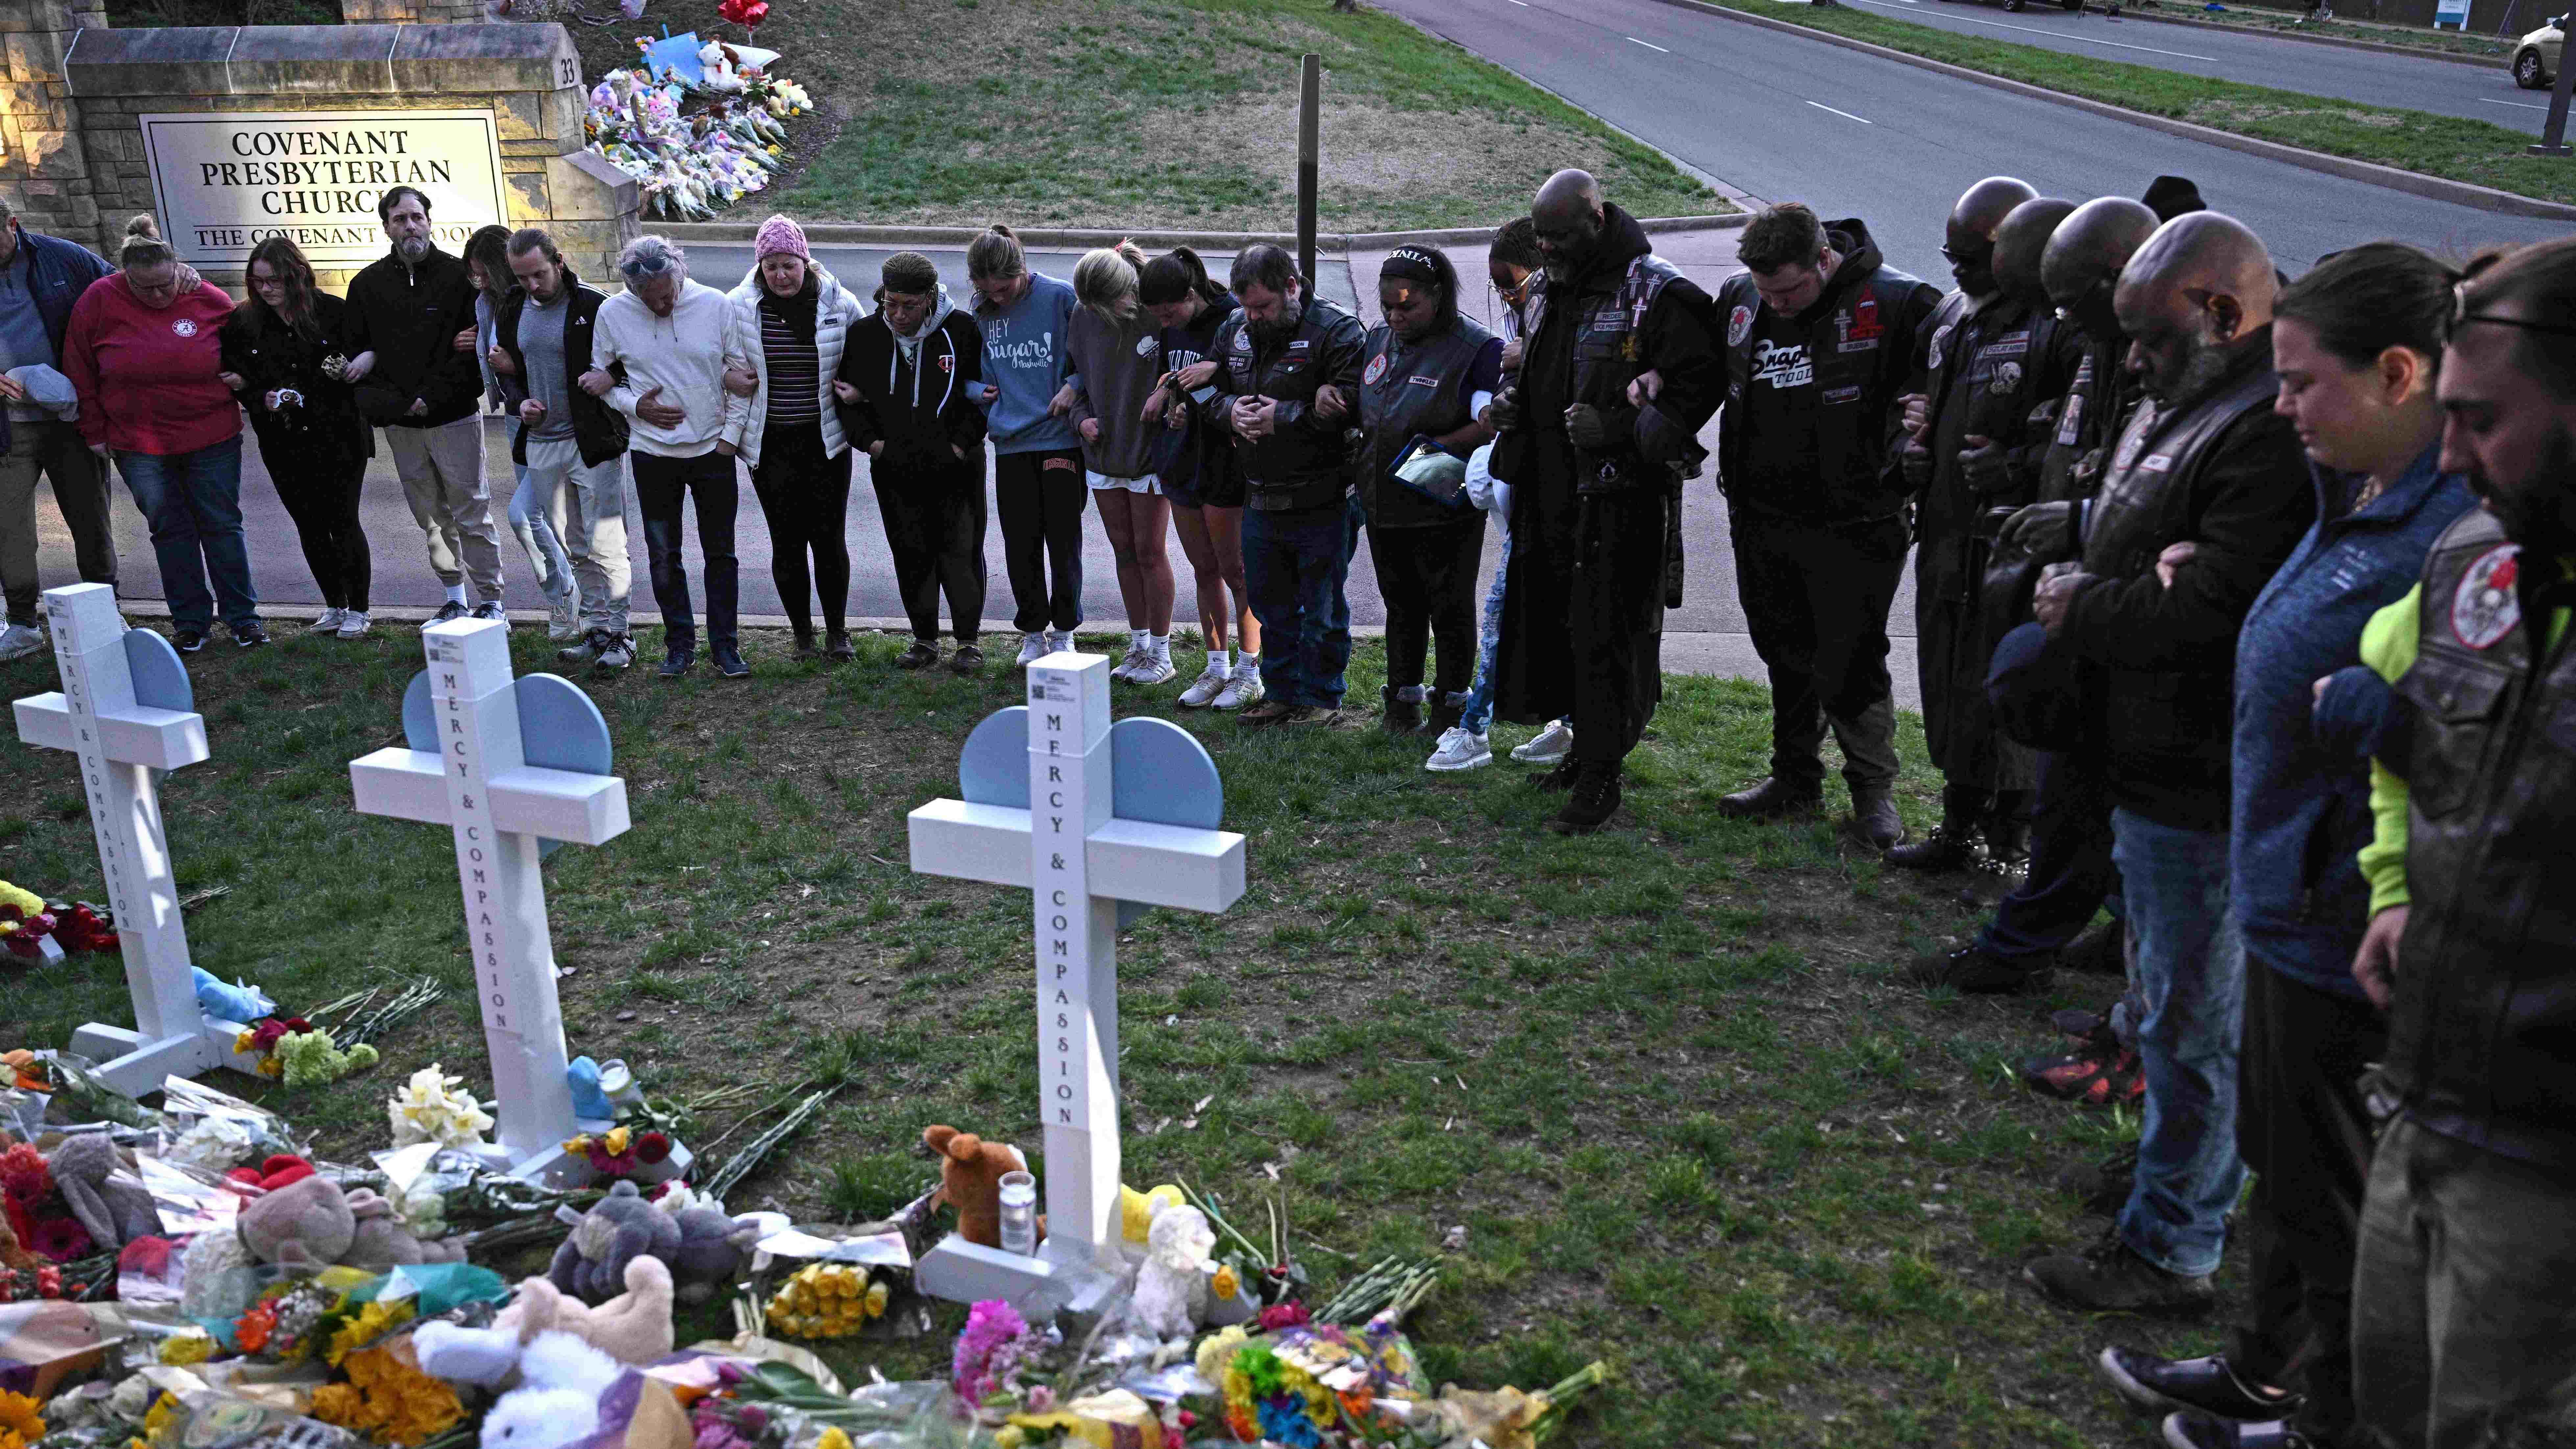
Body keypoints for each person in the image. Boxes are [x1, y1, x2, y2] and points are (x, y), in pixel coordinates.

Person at [2099, 244, 2476, 1449]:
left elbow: (2480, 733)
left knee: (2337, 1195)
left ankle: (2331, 1422)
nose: (2280, 403)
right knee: (2289, 1166)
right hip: (2288, 894)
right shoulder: (2358, 496)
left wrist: (2383, 712)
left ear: (2401, 373)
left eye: (2305, 382)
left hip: (2344, 914)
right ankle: (2265, 1369)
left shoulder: (2450, 536)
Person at [2017, 211, 2314, 1316]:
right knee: (2166, 999)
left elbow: (2215, 607)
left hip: (2203, 776)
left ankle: (2171, 1242)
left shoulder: (2266, 424)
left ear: (2221, 313)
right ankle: (2170, 1178)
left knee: (2195, 1020)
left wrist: (2088, 597)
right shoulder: (2198, 395)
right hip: (2152, 764)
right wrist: (2093, 527)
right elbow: (2160, 533)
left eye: (2144, 339)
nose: (2127, 362)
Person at [2340, 234, 2576, 1449]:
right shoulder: (2471, 558)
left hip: (2546, 1178)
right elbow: (2404, 748)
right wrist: (2393, 889)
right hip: (2422, 1108)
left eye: (2481, 418)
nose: (2446, 455)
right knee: (2393, 1407)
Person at [1487, 170, 1722, 833]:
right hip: (1549, 494)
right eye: (1540, 239)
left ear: (1594, 221)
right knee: (1560, 634)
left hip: (1617, 499)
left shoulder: (1654, 288)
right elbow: (1540, 369)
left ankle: (1599, 780)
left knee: (1605, 640)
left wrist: (1618, 429)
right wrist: (1513, 406)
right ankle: (1580, 751)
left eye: (1559, 237)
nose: (1548, 250)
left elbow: (1698, 381)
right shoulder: (1549, 287)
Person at [1705, 201, 1940, 846]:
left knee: (1849, 654)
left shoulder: (1897, 302)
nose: (1778, 303)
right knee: (1781, 646)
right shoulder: (1739, 299)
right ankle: (1793, 777)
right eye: (1765, 290)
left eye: (1790, 289)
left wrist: (1916, 441)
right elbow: (1706, 378)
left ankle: (1872, 791)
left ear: (1823, 258)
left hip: (1856, 520)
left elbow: (1945, 391)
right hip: (1760, 514)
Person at [1895, 177, 2080, 877]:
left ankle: (2011, 836)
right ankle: (1956, 820)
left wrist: (2017, 464)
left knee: (2006, 688)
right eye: (1951, 257)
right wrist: (1907, 448)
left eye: (1969, 258)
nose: (1956, 272)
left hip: (2013, 543)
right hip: (1946, 534)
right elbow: (1914, 402)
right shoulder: (1953, 316)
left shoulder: (2058, 329)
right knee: (1948, 683)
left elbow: (2086, 441)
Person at [63, 215, 263, 652]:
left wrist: (242, 377)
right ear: (124, 276)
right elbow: (80, 369)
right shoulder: (98, 301)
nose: (157, 295)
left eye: (164, 285)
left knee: (222, 525)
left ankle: (243, 618)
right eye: (144, 288)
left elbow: (249, 344)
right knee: (170, 530)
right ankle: (191, 621)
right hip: (139, 444)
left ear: (178, 270)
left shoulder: (203, 296)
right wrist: (93, 430)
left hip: (212, 437)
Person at [1202, 245, 1366, 728]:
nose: (1252, 317)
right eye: (1246, 307)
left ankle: (1321, 698)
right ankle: (1280, 692)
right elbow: (1206, 386)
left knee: (1321, 607)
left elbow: (1356, 404)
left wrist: (1285, 417)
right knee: (1270, 603)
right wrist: (1227, 412)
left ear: (1291, 287)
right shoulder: (1234, 328)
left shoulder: (1336, 329)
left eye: (1262, 307)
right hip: (1259, 492)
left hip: (1323, 494)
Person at [1431, 220, 1570, 773]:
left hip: (1554, 492)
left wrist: (1522, 363)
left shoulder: (1558, 314)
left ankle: (1475, 731)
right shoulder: (1533, 322)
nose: (1509, 299)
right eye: (1503, 290)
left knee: (1500, 614)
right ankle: (1568, 723)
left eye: (1512, 286)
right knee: (1535, 612)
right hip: (1529, 488)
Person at [1352, 244, 1500, 737]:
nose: (1395, 315)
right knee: (1400, 603)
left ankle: (1453, 708)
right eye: (1387, 305)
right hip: (1382, 499)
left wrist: (1433, 449)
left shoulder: (1478, 348)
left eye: (1407, 306)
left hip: (1442, 499)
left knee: (1449, 604)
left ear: (1438, 297)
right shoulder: (1377, 339)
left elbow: (1493, 425)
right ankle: (1401, 701)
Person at [342, 184, 504, 628]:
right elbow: (361, 352)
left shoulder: (459, 278)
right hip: (402, 425)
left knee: (472, 510)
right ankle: (454, 597)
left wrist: (429, 397)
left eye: (416, 216)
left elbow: (472, 350)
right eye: (399, 219)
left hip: (454, 417)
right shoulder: (367, 286)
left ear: (429, 220)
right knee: (432, 518)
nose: (409, 225)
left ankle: (491, 600)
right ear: (387, 227)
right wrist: (397, 404)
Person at [590, 235, 744, 679]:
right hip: (652, 454)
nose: (662, 305)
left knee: (721, 554)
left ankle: (725, 647)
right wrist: (636, 405)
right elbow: (602, 381)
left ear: (681, 276)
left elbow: (740, 374)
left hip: (712, 450)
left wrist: (730, 438)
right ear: (633, 292)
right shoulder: (613, 314)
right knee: (662, 555)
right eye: (651, 299)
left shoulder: (715, 305)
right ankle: (679, 645)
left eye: (669, 295)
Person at [835, 251, 988, 671]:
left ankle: (968, 642)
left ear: (930, 300)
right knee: (910, 551)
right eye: (890, 303)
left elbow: (983, 397)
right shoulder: (866, 335)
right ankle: (923, 639)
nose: (898, 314)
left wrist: (959, 446)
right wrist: (875, 446)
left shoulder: (962, 330)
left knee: (960, 551)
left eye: (908, 305)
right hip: (894, 465)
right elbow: (848, 400)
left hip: (956, 465)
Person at [492, 228, 635, 674]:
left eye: (538, 274)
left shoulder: (593, 305)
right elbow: (507, 368)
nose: (532, 285)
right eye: (522, 277)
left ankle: (621, 634)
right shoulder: (512, 306)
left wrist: (609, 376)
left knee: (606, 542)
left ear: (558, 260)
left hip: (592, 442)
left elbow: (633, 356)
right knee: (575, 546)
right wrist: (519, 402)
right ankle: (593, 630)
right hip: (542, 443)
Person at [720, 216, 861, 661]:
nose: (781, 275)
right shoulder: (739, 306)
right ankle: (802, 635)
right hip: (770, 444)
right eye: (772, 266)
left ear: (805, 261)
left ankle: (838, 633)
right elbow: (714, 360)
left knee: (828, 538)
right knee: (786, 540)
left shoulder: (837, 301)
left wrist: (859, 388)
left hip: (824, 442)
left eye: (789, 265)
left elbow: (867, 350)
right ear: (760, 266)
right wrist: (728, 376)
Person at [220, 236, 374, 641]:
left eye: (273, 281)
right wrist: (260, 398)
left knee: (342, 521)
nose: (265, 290)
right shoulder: (244, 322)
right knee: (308, 524)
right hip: (282, 439)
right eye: (256, 282)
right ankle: (334, 605)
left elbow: (367, 356)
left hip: (339, 434)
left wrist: (360, 365)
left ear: (298, 276)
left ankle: (359, 608)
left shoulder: (333, 313)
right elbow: (235, 376)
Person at [1139, 247, 1262, 709]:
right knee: (1203, 567)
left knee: (1236, 570)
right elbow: (1175, 375)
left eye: (1170, 312)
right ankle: (1216, 669)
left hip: (1224, 462)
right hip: (1182, 459)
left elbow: (1249, 379)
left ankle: (1250, 671)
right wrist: (1169, 398)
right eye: (1157, 317)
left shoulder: (1233, 319)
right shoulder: (1170, 325)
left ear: (1190, 294)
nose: (1166, 323)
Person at [0, 196, 115, 664]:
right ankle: (24, 623)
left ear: (11, 223)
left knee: (91, 522)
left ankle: (105, 613)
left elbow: (124, 294)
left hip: (70, 421)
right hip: (7, 430)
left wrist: (184, 279)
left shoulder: (64, 257)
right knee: (9, 530)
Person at [967, 225, 1087, 665]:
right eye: (988, 291)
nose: (999, 297)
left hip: (1059, 439)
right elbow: (964, 370)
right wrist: (973, 391)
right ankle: (1032, 631)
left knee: (1063, 540)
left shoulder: (1060, 298)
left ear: (1022, 269)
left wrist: (1074, 385)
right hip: (1011, 444)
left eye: (1006, 287)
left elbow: (1092, 354)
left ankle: (1065, 631)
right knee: (1020, 543)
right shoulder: (983, 312)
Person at [1067, 243, 1178, 686]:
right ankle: (1138, 644)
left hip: (1149, 455)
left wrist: (1167, 392)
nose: (1097, 312)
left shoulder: (1154, 314)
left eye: (1104, 303)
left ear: (1125, 291)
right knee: (1124, 551)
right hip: (1103, 452)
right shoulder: (1082, 314)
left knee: (1151, 552)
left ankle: (1162, 653)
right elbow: (1074, 379)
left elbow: (1185, 365)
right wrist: (1080, 420)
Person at [466, 224, 580, 645]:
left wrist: (514, 370)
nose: (478, 281)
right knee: (543, 518)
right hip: (519, 421)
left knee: (524, 515)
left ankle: (566, 597)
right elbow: (495, 354)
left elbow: (558, 362)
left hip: (557, 424)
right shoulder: (490, 304)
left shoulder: (549, 303)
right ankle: (571, 603)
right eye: (473, 274)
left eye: (483, 272)